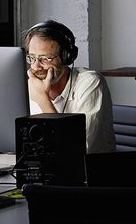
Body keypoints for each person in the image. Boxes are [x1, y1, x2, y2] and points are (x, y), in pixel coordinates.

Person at [23, 20, 115, 153]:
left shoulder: (91, 82)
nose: (36, 66)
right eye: (32, 58)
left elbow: (74, 150)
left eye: (45, 59)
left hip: (88, 171)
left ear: (66, 57)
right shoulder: (30, 86)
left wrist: (43, 99)